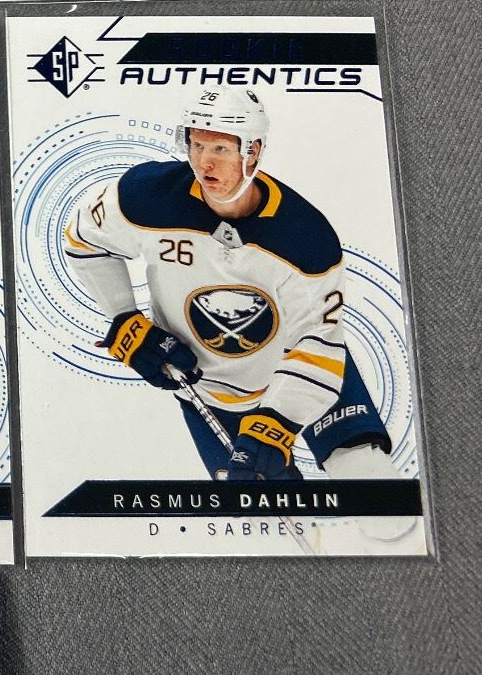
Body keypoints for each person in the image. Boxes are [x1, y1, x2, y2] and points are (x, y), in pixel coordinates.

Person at [63, 88, 398, 481]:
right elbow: (83, 240)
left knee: (369, 480)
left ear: (252, 152)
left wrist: (278, 423)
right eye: (197, 145)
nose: (205, 162)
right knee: (264, 513)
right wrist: (124, 317)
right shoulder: (145, 197)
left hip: (301, 365)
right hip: (208, 387)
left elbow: (317, 343)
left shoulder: (305, 236)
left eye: (221, 149)